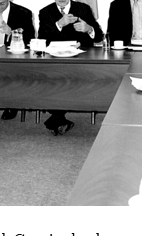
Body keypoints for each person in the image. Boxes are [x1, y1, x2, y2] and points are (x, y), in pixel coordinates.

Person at [38, 0, 103, 135]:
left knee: (66, 79)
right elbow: (42, 38)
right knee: (53, 78)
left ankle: (57, 118)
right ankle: (58, 118)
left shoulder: (83, 8)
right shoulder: (45, 11)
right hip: (55, 60)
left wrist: (89, 29)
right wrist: (59, 24)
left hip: (81, 59)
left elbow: (99, 36)